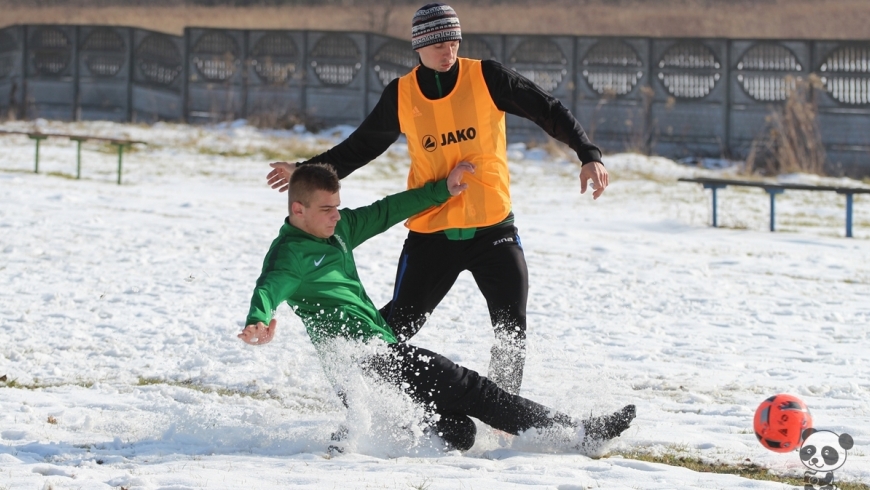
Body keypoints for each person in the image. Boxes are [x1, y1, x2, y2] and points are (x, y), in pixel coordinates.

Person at [266, 3, 609, 396]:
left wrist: (587, 154)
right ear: (419, 47)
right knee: (398, 323)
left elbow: (548, 110)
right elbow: (362, 146)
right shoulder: (402, 93)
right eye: (439, 45)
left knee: (511, 326)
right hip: (432, 231)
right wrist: (306, 169)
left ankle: (504, 413)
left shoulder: (487, 77)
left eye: (454, 42)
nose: (448, 52)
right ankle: (362, 390)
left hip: (493, 227)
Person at [239, 163, 634, 453]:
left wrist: (441, 190)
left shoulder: (337, 231)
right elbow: (269, 287)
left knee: (458, 431)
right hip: (369, 363)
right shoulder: (289, 256)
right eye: (326, 209)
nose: (336, 215)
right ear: (298, 211)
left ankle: (373, 436)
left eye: (338, 206)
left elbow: (388, 210)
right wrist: (259, 317)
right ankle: (577, 433)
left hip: (375, 367)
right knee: (471, 387)